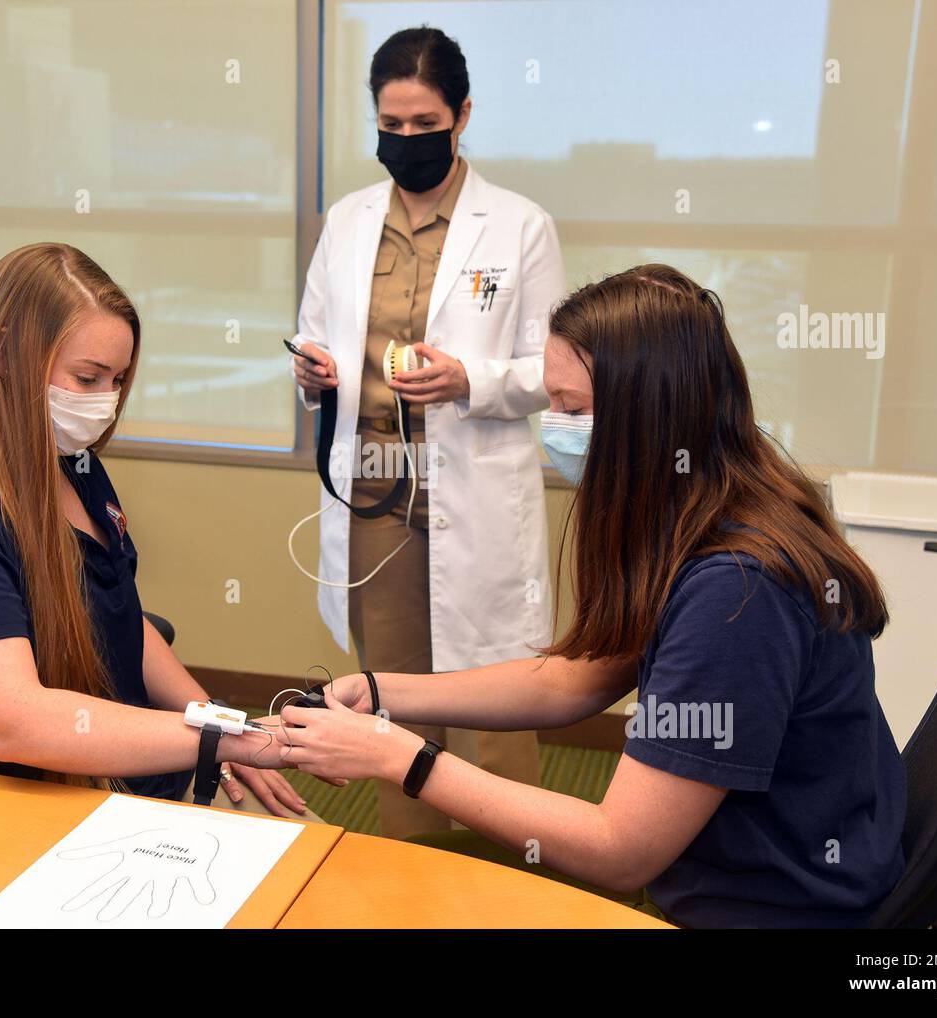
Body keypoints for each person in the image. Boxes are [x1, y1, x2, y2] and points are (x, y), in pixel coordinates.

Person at [277, 264, 908, 928]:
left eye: (573, 408)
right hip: (733, 872)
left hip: (765, 910)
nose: (556, 428)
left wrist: (394, 754)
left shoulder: (736, 591)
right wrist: (382, 692)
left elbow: (620, 850)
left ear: (649, 412)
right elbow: (572, 683)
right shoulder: (707, 508)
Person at [0, 242, 316, 817]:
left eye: (118, 380)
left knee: (316, 860)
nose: (106, 402)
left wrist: (223, 724)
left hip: (122, 776)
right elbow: (12, 722)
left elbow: (123, 616)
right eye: (87, 377)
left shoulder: (72, 465)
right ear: (6, 357)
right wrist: (222, 740)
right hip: (4, 808)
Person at [289, 26, 566, 838]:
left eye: (423, 123)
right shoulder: (347, 221)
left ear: (463, 113)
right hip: (375, 499)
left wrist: (468, 381)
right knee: (392, 700)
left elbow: (551, 369)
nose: (405, 141)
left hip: (471, 495)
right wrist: (311, 371)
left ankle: (513, 868)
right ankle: (408, 871)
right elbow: (312, 333)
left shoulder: (518, 226)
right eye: (392, 125)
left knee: (493, 700)